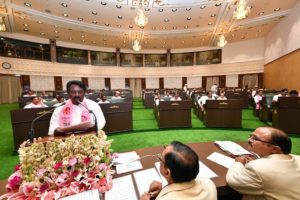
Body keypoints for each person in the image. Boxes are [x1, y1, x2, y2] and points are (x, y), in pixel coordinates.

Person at [226, 127, 300, 200]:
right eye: (250, 136)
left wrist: (238, 163)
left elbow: (233, 181)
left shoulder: (257, 168)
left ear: (274, 149)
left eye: (255, 139)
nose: (249, 140)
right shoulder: (297, 158)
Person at [140, 141, 217, 200]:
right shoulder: (209, 183)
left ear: (167, 172)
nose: (159, 157)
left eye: (160, 158)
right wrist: (164, 189)